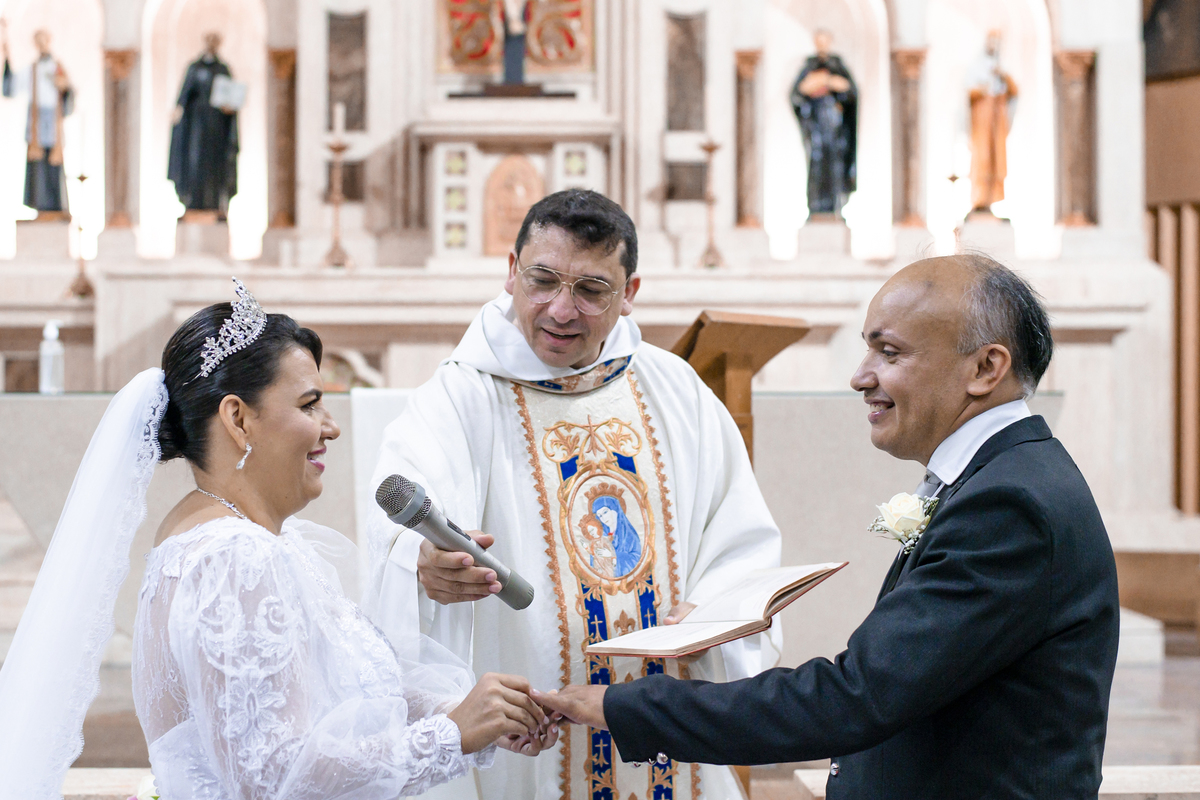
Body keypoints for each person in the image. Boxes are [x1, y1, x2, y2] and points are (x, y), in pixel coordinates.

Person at [535, 254, 1120, 799]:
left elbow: (856, 699)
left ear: (986, 368)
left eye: (889, 353)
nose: (861, 377)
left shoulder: (1008, 506)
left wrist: (624, 706)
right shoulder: (1006, 478)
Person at [0, 278, 556, 799]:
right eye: (310, 404)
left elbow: (349, 691)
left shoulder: (237, 539)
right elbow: (270, 774)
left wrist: (472, 712)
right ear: (238, 419)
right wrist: (452, 735)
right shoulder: (233, 558)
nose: (330, 426)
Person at [365, 188, 782, 800]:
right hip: (531, 740)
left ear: (629, 293)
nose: (561, 310)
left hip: (665, 712)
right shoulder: (460, 397)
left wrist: (713, 611)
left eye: (591, 290)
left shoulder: (677, 391)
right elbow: (400, 524)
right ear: (512, 272)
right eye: (542, 281)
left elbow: (741, 541)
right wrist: (423, 563)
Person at [1, 22, 74, 217]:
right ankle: (40, 205)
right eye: (38, 41)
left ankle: (56, 206)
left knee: (53, 164)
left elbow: (68, 98)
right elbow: (11, 88)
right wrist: (6, 61)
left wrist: (65, 89)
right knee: (38, 166)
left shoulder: (58, 68)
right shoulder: (30, 70)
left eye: (44, 40)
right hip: (36, 123)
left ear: (49, 42)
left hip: (53, 124)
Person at [169, 31, 239, 217]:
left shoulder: (223, 69)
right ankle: (193, 202)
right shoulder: (194, 68)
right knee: (194, 161)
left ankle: (215, 203)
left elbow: (231, 99)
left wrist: (229, 109)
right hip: (196, 126)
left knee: (215, 166)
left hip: (216, 127)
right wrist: (179, 110)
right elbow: (184, 95)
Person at [791, 29, 857, 218]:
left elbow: (851, 93)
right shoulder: (809, 66)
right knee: (817, 164)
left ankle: (836, 205)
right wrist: (813, 85)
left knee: (836, 165)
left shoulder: (837, 65)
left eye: (825, 40)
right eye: (818, 40)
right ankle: (816, 206)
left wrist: (827, 81)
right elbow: (797, 94)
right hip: (816, 125)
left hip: (835, 127)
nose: (822, 44)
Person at [968, 30, 1018, 215]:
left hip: (997, 121)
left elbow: (1014, 91)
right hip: (981, 121)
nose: (994, 46)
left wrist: (1002, 75)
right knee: (981, 158)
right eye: (992, 41)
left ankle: (991, 199)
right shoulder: (976, 66)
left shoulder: (1001, 68)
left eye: (997, 42)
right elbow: (968, 92)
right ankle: (979, 199)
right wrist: (983, 89)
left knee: (996, 159)